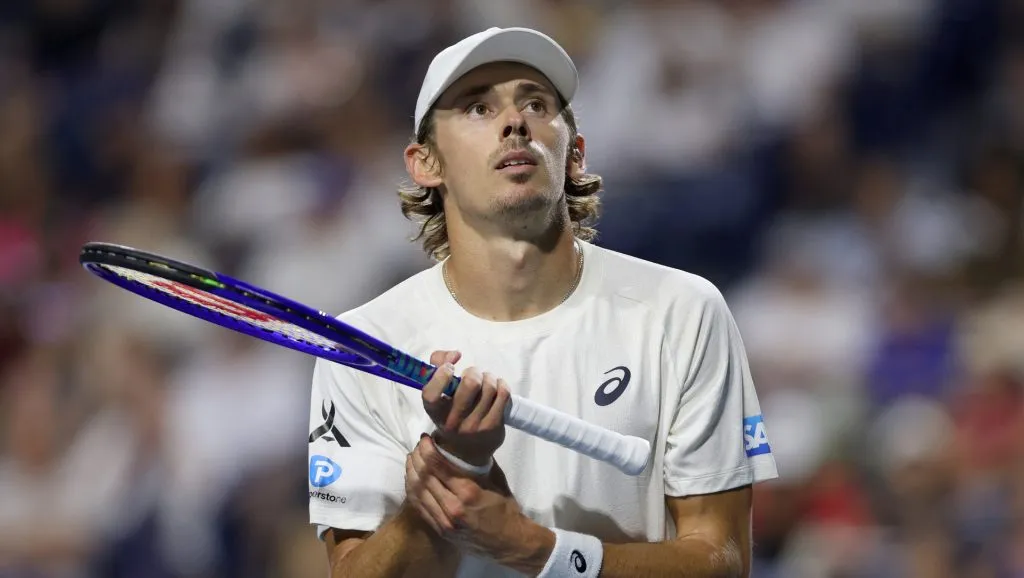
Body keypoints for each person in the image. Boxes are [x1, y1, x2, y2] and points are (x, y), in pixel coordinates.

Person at [306, 26, 778, 578]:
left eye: (535, 103)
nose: (515, 122)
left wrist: (536, 550)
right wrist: (454, 464)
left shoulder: (685, 311)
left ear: (574, 154)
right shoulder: (365, 346)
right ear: (425, 164)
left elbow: (723, 562)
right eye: (478, 107)